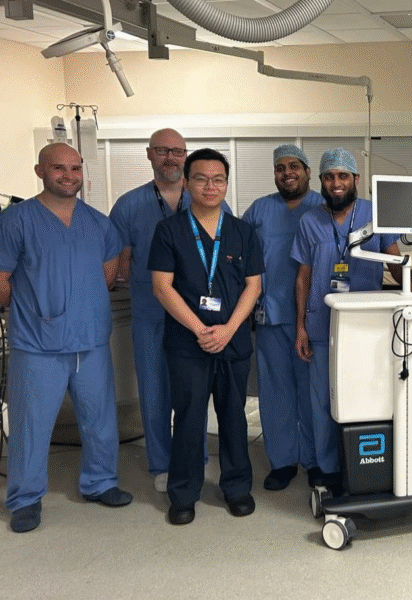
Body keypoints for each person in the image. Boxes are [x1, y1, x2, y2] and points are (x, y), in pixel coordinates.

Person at [1, 142, 132, 533]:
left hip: (90, 339)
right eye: (59, 168)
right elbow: (2, 279)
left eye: (75, 168)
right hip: (37, 343)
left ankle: (101, 482)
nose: (69, 176)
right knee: (31, 425)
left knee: (99, 419)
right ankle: (25, 498)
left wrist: (79, 304)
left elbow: (109, 272)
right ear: (40, 171)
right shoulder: (16, 220)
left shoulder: (98, 222)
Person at [292, 148, 412, 493]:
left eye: (343, 176)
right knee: (324, 400)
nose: (336, 183)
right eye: (329, 177)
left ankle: (367, 465)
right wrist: (300, 327)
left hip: (368, 328)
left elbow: (394, 262)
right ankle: (328, 469)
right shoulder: (309, 221)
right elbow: (303, 278)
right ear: (321, 181)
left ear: (356, 179)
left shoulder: (374, 214)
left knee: (368, 396)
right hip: (322, 325)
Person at [148, 148, 263, 525]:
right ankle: (183, 493)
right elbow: (162, 287)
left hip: (233, 341)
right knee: (188, 419)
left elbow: (253, 285)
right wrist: (200, 330)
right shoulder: (169, 231)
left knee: (233, 418)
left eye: (218, 179)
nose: (210, 186)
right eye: (200, 178)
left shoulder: (243, 232)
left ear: (226, 184)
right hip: (188, 345)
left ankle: (237, 487)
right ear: (186, 182)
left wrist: (228, 330)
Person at [110, 128, 192, 493]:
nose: (170, 157)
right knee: (154, 391)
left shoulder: (205, 198)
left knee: (192, 390)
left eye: (177, 151)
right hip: (150, 313)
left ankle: (193, 455)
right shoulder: (128, 206)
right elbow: (120, 264)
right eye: (162, 150)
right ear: (149, 154)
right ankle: (161, 462)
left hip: (195, 315)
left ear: (185, 155)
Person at [242, 144, 323, 491]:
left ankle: (317, 460)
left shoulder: (323, 206)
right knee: (276, 392)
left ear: (307, 172)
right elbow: (240, 254)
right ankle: (283, 461)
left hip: (315, 318)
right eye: (280, 168)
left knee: (313, 392)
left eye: (294, 166)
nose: (287, 173)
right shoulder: (259, 210)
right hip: (271, 314)